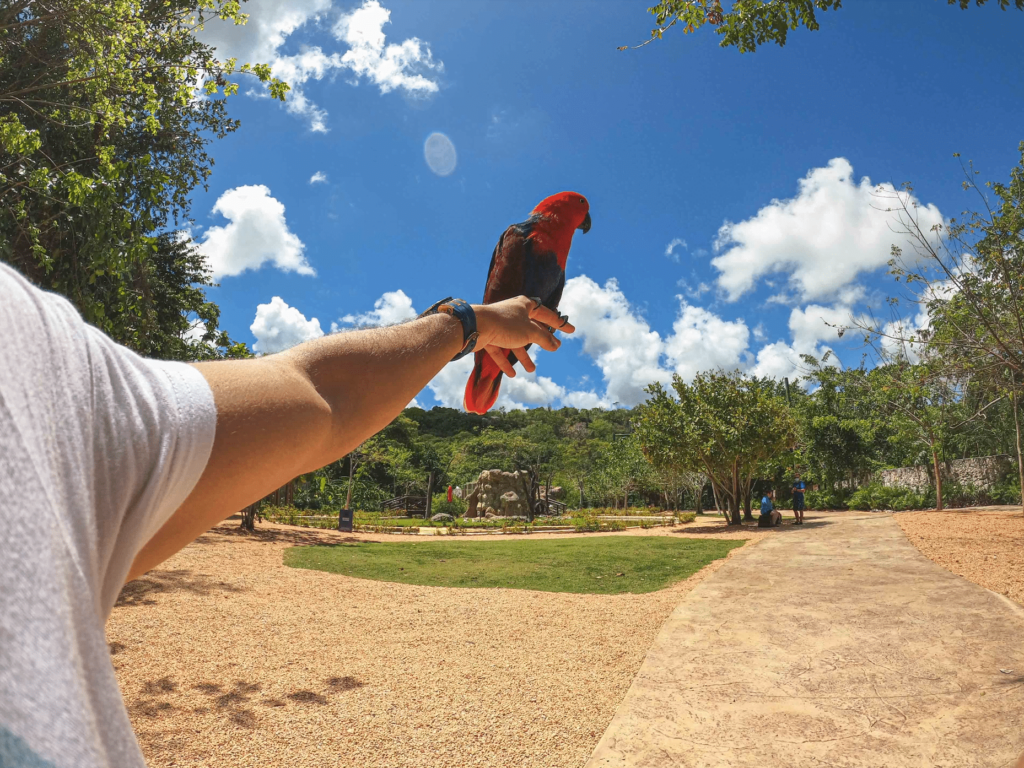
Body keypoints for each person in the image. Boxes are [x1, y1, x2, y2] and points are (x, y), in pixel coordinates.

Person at [0, 260, 573, 768]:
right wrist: (466, 324)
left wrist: (470, 323)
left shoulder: (26, 360)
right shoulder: (25, 353)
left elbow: (317, 397)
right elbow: (319, 398)